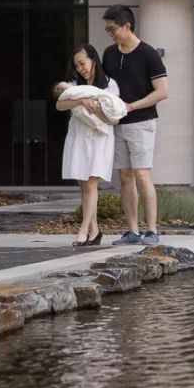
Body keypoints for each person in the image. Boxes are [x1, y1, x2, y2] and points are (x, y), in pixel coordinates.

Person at [100, 4, 169, 246]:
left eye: (112, 29)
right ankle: (132, 231)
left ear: (126, 26)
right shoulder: (109, 54)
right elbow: (104, 87)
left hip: (142, 122)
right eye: (107, 30)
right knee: (125, 176)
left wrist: (131, 106)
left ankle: (152, 231)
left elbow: (162, 92)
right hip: (117, 124)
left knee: (141, 174)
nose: (110, 33)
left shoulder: (148, 54)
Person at [54, 45, 121, 247]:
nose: (80, 68)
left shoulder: (109, 85)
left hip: (99, 137)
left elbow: (114, 118)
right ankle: (95, 231)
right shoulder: (75, 86)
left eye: (82, 63)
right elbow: (59, 104)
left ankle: (83, 230)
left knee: (91, 184)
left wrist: (96, 108)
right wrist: (82, 101)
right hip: (79, 136)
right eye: (77, 65)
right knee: (83, 185)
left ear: (93, 60)